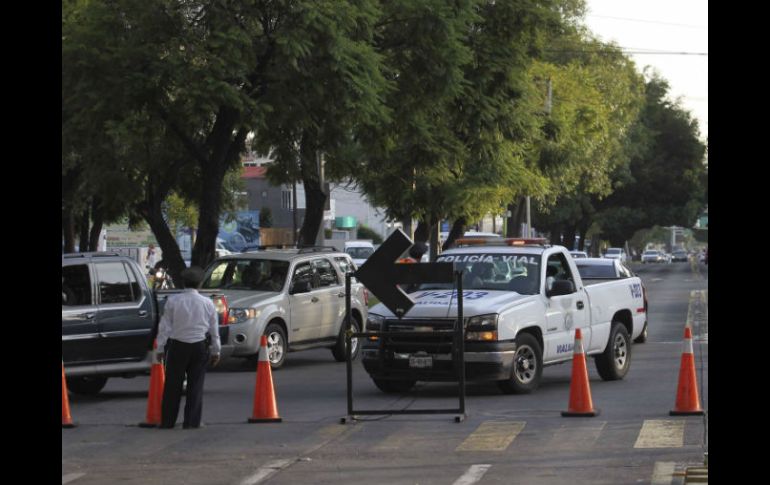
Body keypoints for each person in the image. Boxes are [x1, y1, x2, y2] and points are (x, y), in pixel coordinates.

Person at [156, 266, 221, 429]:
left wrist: (160, 349)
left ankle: (167, 421)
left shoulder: (173, 301)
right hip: (199, 347)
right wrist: (216, 350)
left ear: (183, 283)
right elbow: (214, 330)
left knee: (172, 386)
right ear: (199, 283)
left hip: (177, 346)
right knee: (195, 386)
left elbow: (164, 327)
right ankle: (191, 422)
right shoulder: (207, 303)